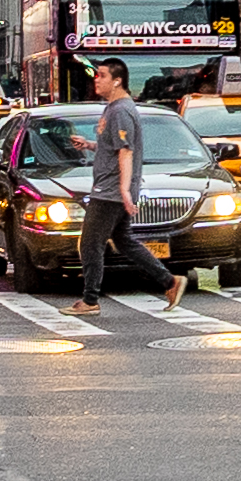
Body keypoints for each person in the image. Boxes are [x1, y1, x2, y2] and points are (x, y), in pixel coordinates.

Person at [69, 60, 184, 316]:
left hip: (109, 191)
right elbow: (112, 147)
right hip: (111, 188)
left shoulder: (120, 111)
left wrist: (123, 191)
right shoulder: (114, 109)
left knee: (90, 244)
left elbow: (126, 152)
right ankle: (169, 282)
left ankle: (89, 300)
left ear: (117, 80)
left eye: (101, 76)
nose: (96, 80)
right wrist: (89, 145)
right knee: (125, 241)